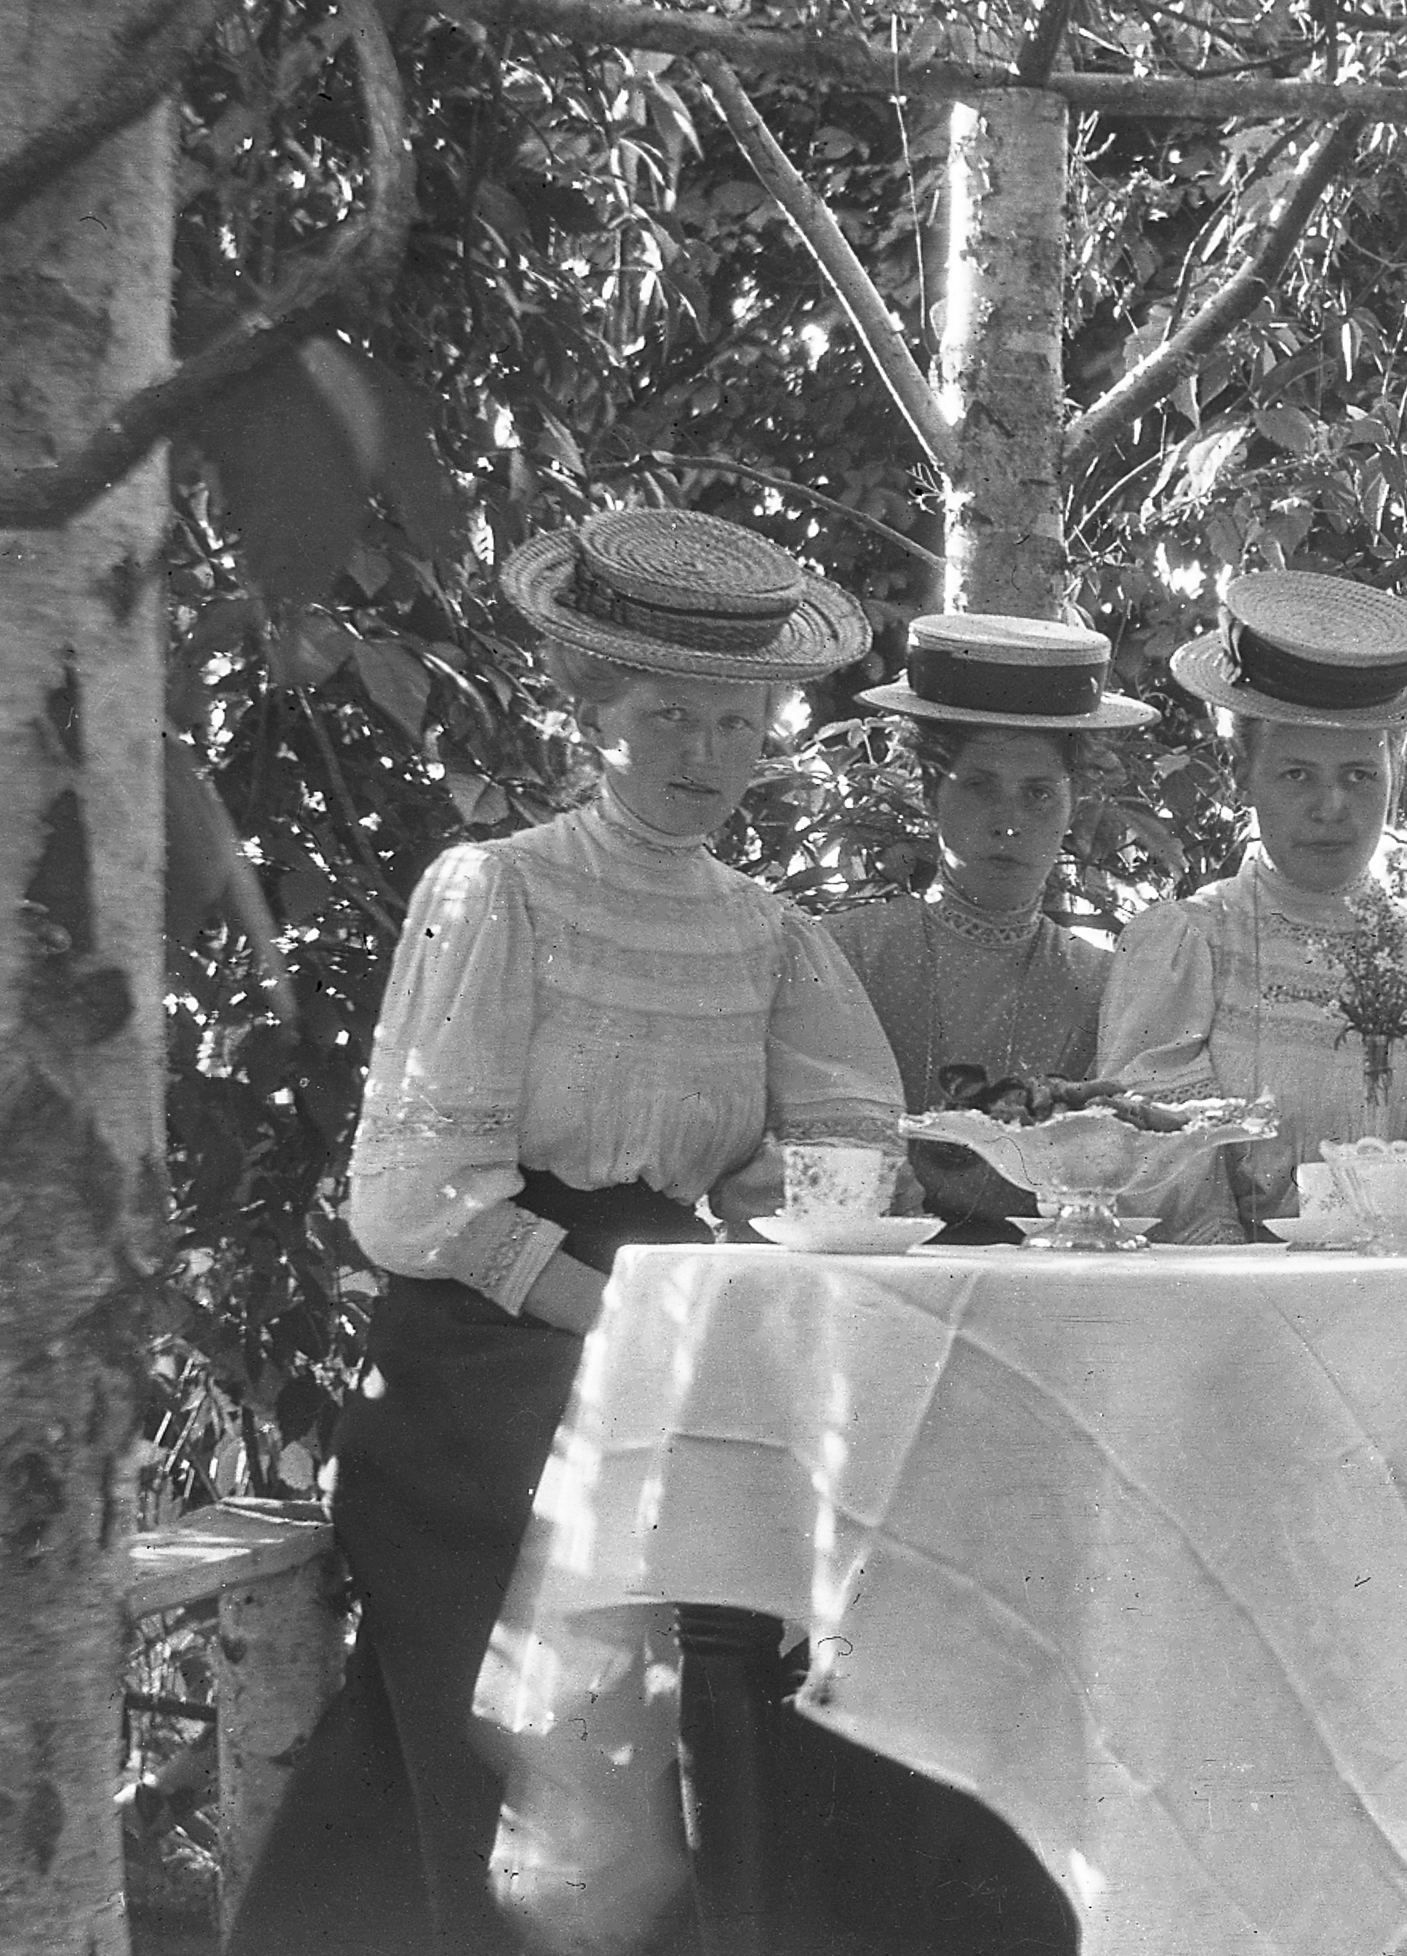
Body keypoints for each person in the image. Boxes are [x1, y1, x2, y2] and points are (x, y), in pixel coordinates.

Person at [227, 509, 905, 1956]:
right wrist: (620, 1314)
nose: (705, 753)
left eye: (736, 721)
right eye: (668, 715)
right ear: (589, 707)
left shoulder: (769, 932)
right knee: (567, 1638)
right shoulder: (498, 892)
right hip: (486, 1353)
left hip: (670, 1320)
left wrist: (754, 1215)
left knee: (787, 1560)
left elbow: (848, 1137)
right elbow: (412, 1191)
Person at [1097, 570, 1407, 1242]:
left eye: (1359, 775)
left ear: (1396, 779)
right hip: (1227, 1296)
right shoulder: (1190, 945)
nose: (1330, 808)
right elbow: (1156, 1170)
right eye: (1296, 774)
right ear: (1244, 775)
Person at [826, 614, 1158, 1242]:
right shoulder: (846, 952)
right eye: (979, 786)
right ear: (930, 793)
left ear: (1074, 805)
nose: (1008, 822)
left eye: (1038, 794)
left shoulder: (1101, 985)